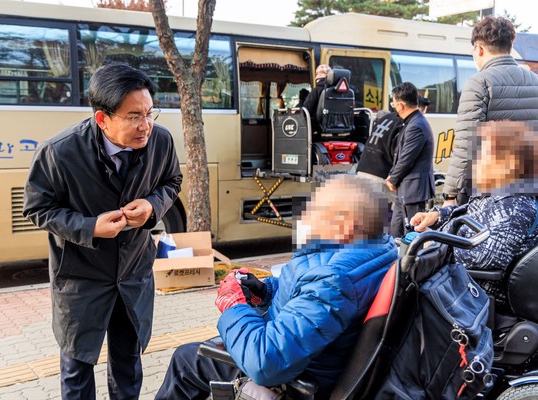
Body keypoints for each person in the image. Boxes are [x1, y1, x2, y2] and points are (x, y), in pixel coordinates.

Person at [154, 175, 398, 400]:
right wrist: (264, 290)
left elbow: (266, 363)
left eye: (317, 210)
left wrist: (234, 306)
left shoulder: (333, 279)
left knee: (186, 360)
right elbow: (308, 292)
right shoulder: (374, 249)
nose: (306, 216)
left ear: (346, 225)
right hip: (310, 349)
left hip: (296, 378)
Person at [23, 62, 182, 399]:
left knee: (128, 363)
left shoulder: (161, 142)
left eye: (150, 113)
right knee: (77, 369)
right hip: (81, 276)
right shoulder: (60, 152)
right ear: (102, 118)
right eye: (134, 116)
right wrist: (89, 227)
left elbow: (172, 181)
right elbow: (37, 208)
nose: (146, 126)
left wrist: (153, 204)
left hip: (133, 271)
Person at [411, 121, 538, 309]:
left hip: (477, 292)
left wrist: (435, 245)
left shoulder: (515, 207)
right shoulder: (503, 191)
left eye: (482, 156)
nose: (475, 162)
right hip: (464, 280)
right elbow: (471, 212)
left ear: (509, 163)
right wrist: (439, 216)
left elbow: (484, 257)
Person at [442, 16, 538, 206]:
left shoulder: (479, 83)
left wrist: (450, 195)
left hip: (491, 193)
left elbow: (466, 144)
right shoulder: (535, 81)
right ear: (510, 43)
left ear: (479, 49)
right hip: (531, 191)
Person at [386, 82, 435, 238]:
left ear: (400, 105)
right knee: (396, 228)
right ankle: (398, 260)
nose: (393, 106)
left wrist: (393, 178)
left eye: (393, 103)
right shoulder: (413, 122)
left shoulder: (416, 125)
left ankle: (412, 261)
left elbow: (407, 158)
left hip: (414, 189)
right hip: (407, 187)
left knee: (412, 233)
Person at [303, 64, 331, 134]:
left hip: (318, 128)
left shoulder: (316, 91)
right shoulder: (340, 91)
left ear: (317, 78)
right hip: (339, 127)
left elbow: (306, 110)